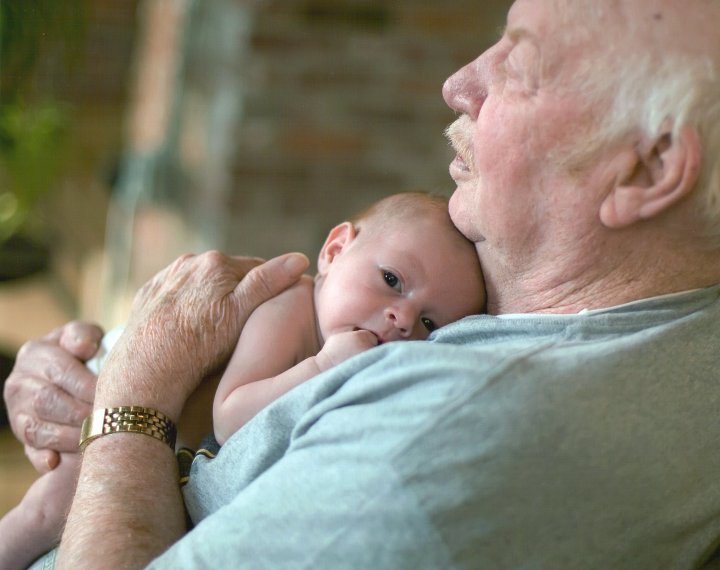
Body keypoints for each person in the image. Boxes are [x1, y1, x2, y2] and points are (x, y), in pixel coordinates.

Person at [4, 0, 720, 567]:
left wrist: (133, 395)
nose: (460, 83)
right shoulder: (627, 320)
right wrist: (118, 387)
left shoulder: (447, 442)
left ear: (649, 169)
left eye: (521, 63)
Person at [0, 192, 485, 570]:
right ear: (336, 250)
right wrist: (321, 369)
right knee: (47, 513)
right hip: (111, 394)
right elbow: (233, 417)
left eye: (430, 324)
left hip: (153, 426)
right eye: (393, 281)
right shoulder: (290, 307)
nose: (402, 320)